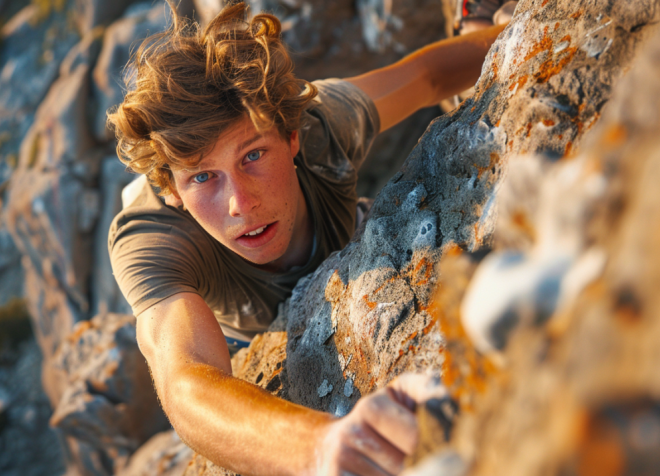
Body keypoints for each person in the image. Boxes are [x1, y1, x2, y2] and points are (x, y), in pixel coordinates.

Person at [107, 2, 509, 474]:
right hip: (247, 338)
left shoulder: (321, 125)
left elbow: (425, 77)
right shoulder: (153, 240)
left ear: (291, 137)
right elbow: (186, 381)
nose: (240, 203)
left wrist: (515, 32)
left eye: (253, 155)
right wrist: (322, 445)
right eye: (202, 178)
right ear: (170, 190)